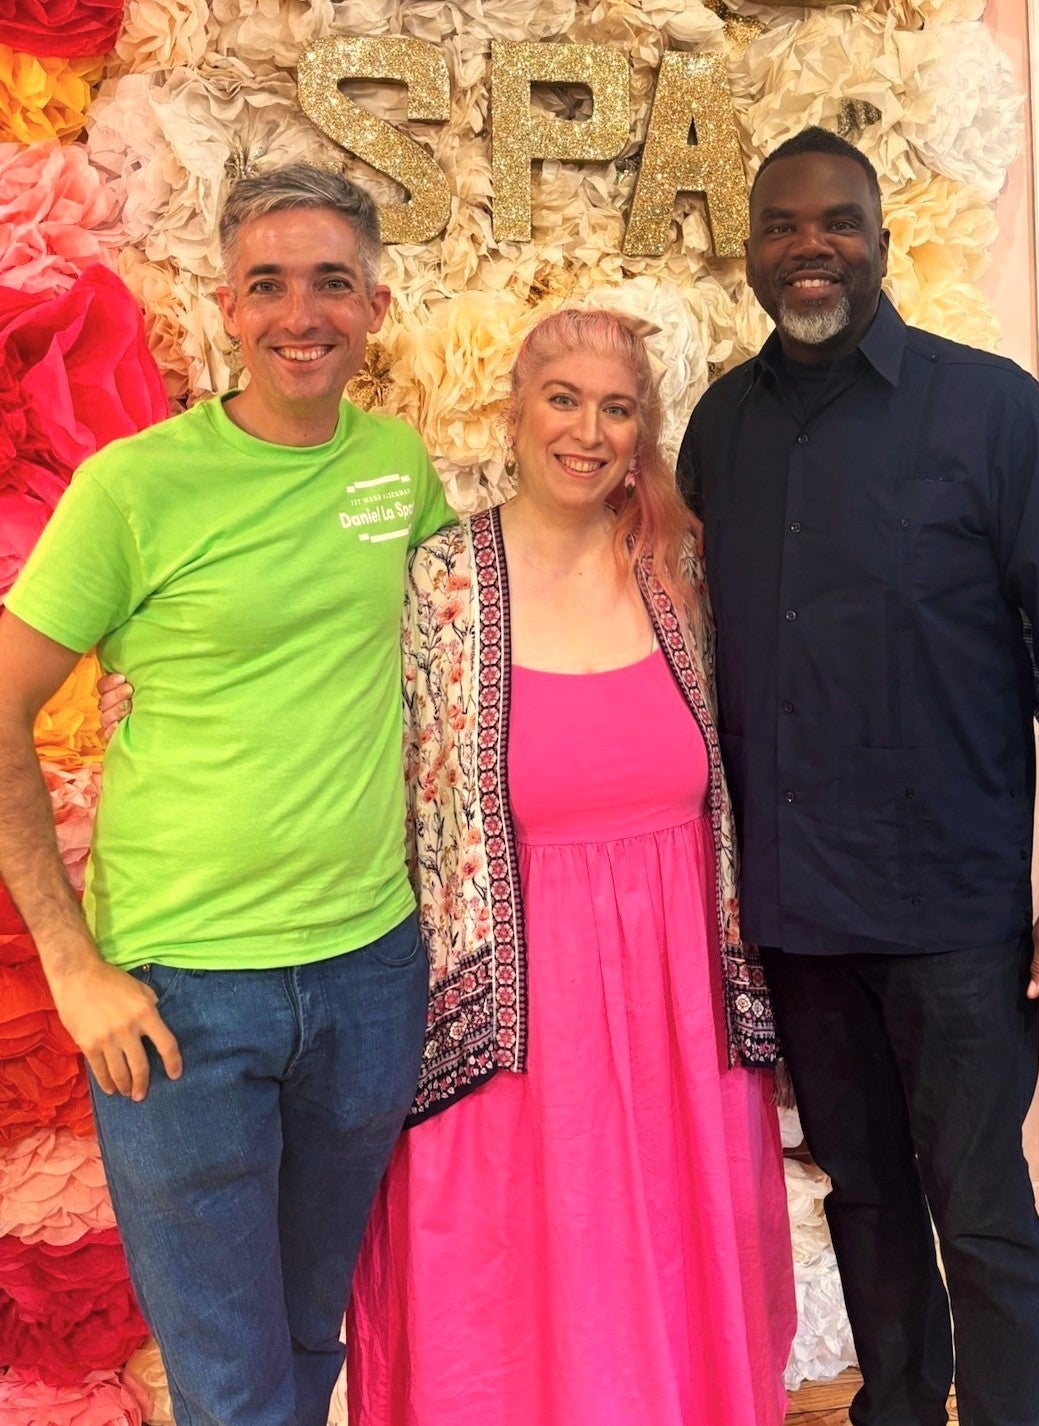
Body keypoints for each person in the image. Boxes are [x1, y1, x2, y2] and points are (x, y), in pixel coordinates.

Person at [679, 126, 1039, 1426]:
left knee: (977, 1202)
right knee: (864, 1196)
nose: (809, 246)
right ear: (749, 251)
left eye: (836, 221)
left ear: (882, 242)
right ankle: (894, 1403)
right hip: (797, 914)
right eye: (781, 224)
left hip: (951, 904)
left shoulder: (986, 408)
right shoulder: (720, 426)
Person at [0, 164, 452, 1426]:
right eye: (268, 285)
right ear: (226, 308)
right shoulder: (135, 488)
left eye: (330, 284)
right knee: (232, 1386)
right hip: (182, 999)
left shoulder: (395, 466)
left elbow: (458, 649)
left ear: (374, 307)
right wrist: (73, 968)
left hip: (367, 977)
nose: (300, 315)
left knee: (308, 1343)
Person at [343, 308, 796, 1426]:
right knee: (513, 1301)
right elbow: (375, 770)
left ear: (643, 430)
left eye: (616, 408)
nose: (587, 431)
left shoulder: (679, 569)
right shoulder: (440, 580)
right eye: (563, 399)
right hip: (509, 1014)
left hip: (679, 1011)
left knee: (677, 1283)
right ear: (516, 410)